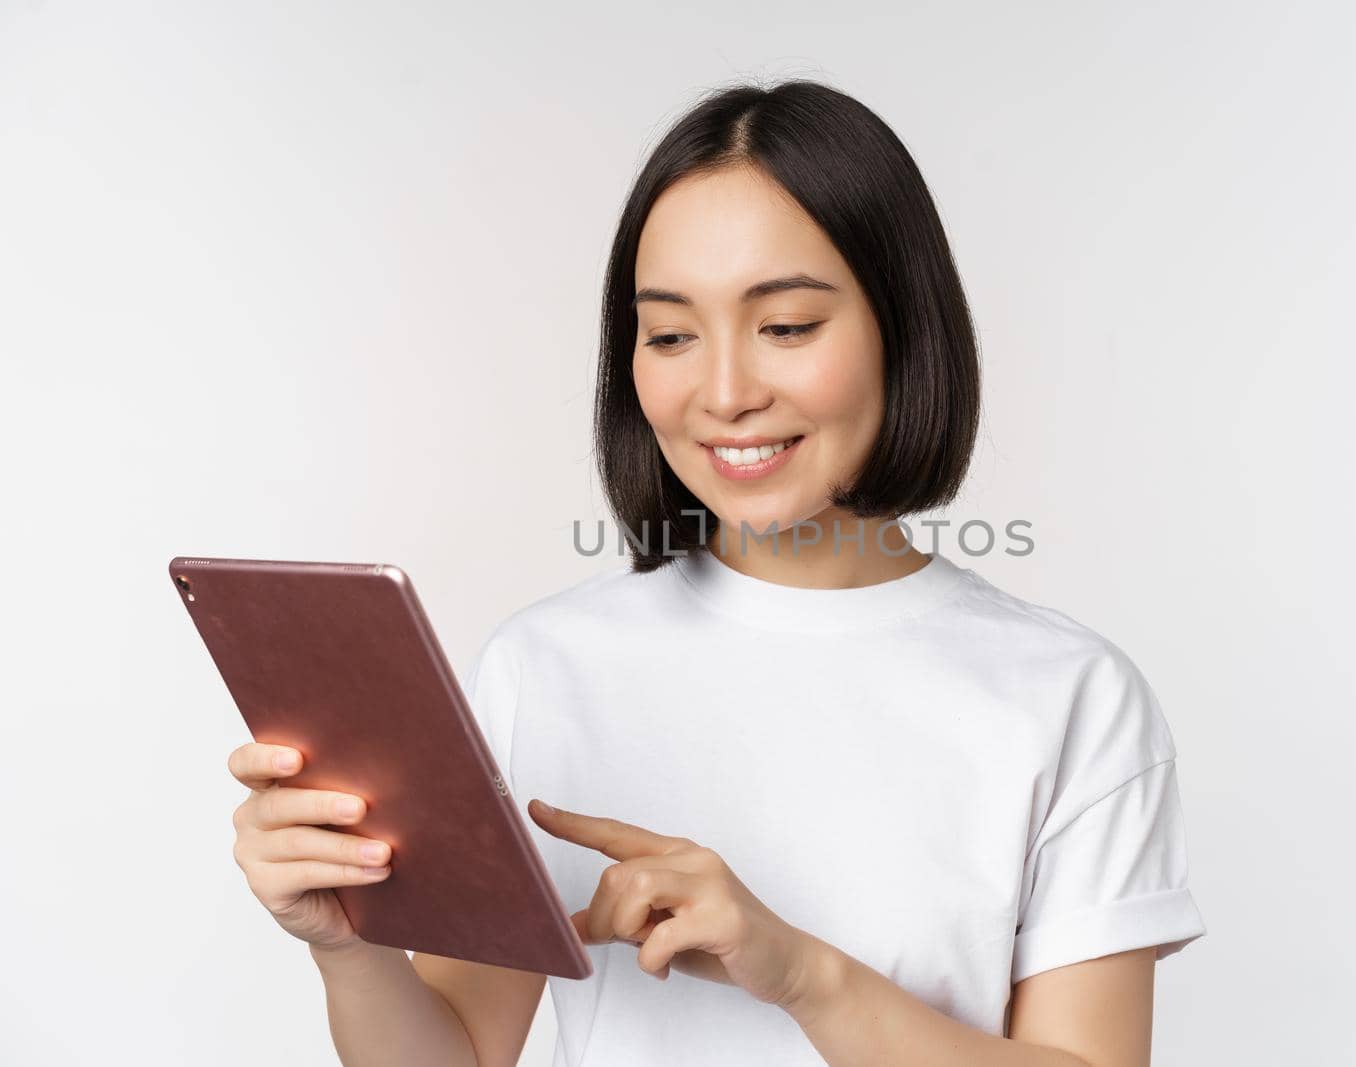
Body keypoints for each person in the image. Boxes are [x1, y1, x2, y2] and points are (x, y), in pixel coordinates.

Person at [226, 78, 1205, 1067]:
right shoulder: (545, 664)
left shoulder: (1068, 694)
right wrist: (347, 949)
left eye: (785, 326)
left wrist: (795, 969)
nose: (726, 393)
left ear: (903, 330)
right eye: (671, 334)